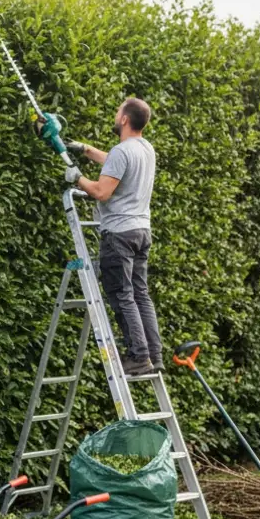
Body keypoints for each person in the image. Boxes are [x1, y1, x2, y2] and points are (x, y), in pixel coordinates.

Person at [65, 97, 163, 375]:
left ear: (124, 119)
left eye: (118, 109)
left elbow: (101, 192)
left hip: (119, 234)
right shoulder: (146, 148)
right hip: (141, 232)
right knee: (141, 294)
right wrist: (85, 149)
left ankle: (138, 356)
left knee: (122, 295)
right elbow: (115, 163)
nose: (115, 112)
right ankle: (154, 355)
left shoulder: (123, 151)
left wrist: (77, 178)